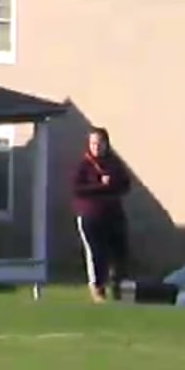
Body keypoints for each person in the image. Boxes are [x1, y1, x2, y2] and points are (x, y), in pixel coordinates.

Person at [71, 127, 133, 303]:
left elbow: (125, 184)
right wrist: (100, 185)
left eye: (99, 143)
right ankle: (97, 288)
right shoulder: (84, 165)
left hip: (114, 215)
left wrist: (112, 183)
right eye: (93, 143)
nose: (96, 147)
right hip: (91, 216)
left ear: (106, 144)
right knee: (96, 253)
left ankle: (118, 286)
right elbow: (77, 189)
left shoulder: (114, 163)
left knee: (120, 253)